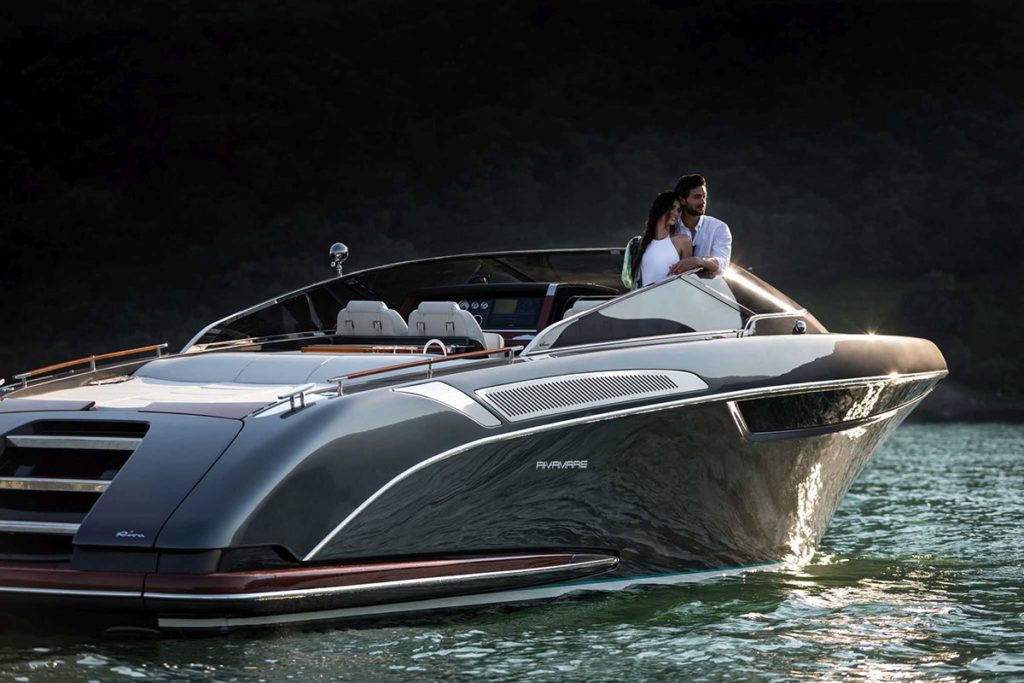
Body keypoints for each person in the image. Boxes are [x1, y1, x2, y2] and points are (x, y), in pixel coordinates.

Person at [667, 174, 732, 278]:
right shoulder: (669, 226)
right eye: (697, 197)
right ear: (682, 200)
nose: (702, 201)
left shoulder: (719, 228)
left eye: (704, 196)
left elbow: (722, 263)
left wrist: (698, 261)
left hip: (707, 286)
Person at [626, 191, 693, 288]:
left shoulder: (683, 241)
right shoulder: (639, 244)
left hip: (672, 296)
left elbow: (689, 284)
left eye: (679, 210)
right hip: (645, 297)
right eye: (672, 208)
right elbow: (634, 286)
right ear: (660, 208)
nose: (676, 213)